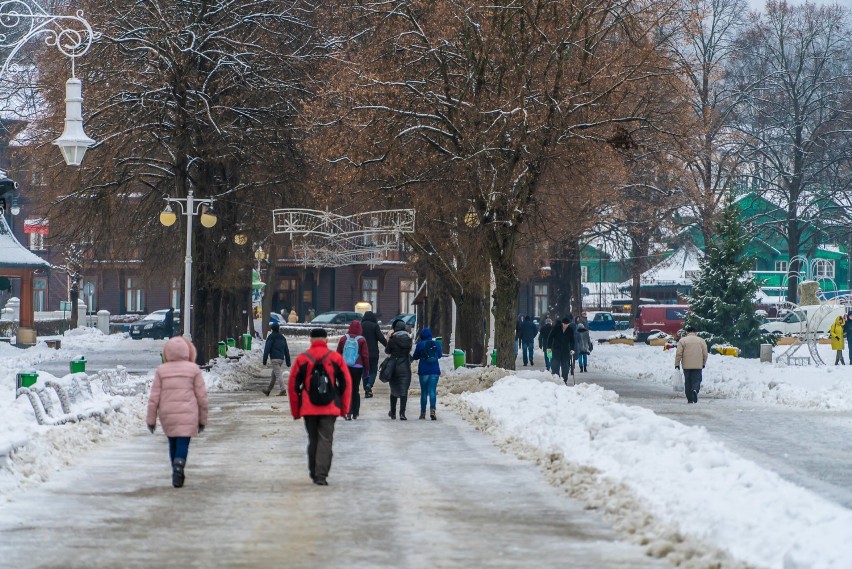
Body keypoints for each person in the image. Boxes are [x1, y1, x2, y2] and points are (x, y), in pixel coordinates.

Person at [288, 328, 351, 486]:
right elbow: (346, 384)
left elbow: (293, 386)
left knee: (313, 439)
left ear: (311, 340)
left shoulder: (303, 359)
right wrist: (344, 408)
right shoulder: (335, 358)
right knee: (325, 439)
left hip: (309, 407)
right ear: (326, 340)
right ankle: (321, 475)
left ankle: (313, 470)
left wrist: (296, 411)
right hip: (330, 407)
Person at [146, 336, 208, 488]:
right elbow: (202, 397)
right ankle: (179, 465)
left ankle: (175, 468)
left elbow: (154, 397)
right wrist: (202, 419)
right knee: (183, 442)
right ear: (188, 352)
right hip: (188, 412)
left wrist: (151, 420)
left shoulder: (162, 370)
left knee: (172, 441)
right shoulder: (193, 369)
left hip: (167, 413)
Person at [336, 320, 370, 420]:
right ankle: (355, 412)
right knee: (355, 389)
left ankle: (348, 412)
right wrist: (366, 369)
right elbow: (365, 356)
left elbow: (337, 354)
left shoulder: (343, 339)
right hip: (358, 368)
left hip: (345, 367)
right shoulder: (362, 340)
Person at [412, 327, 442, 420]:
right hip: (434, 371)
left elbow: (415, 357)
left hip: (424, 371)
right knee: (432, 391)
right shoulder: (436, 343)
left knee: (424, 392)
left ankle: (423, 413)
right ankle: (432, 410)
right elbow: (440, 355)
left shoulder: (420, 344)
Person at [385, 319, 413, 420]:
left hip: (394, 368)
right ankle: (402, 413)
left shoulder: (392, 339)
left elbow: (387, 351)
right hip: (405, 367)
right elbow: (409, 352)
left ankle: (393, 412)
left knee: (393, 390)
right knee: (403, 390)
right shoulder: (409, 340)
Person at [674, 325, 708, 404]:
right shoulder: (701, 340)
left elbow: (679, 353)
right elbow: (705, 354)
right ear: (695, 332)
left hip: (686, 365)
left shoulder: (682, 341)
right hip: (698, 364)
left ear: (687, 332)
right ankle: (695, 390)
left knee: (688, 381)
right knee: (697, 379)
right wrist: (703, 363)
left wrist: (677, 364)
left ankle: (690, 399)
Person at [360, 311, 387, 398]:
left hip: (362, 353)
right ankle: (369, 385)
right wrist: (388, 346)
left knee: (365, 371)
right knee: (373, 371)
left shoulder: (361, 325)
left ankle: (366, 389)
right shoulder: (374, 326)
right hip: (373, 353)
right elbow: (381, 338)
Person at [262, 322, 292, 396]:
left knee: (278, 375)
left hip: (274, 359)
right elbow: (286, 350)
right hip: (281, 359)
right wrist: (288, 361)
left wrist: (264, 360)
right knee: (274, 375)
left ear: (272, 329)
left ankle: (283, 390)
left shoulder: (271, 337)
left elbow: (267, 349)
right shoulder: (282, 337)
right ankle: (268, 390)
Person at [547, 317, 576, 385]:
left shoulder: (570, 330)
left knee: (565, 366)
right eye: (564, 324)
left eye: (567, 324)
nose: (565, 326)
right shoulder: (556, 328)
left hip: (565, 351)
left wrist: (572, 349)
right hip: (556, 349)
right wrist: (549, 348)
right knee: (555, 365)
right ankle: (556, 379)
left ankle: (564, 380)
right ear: (562, 323)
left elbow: (572, 341)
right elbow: (550, 337)